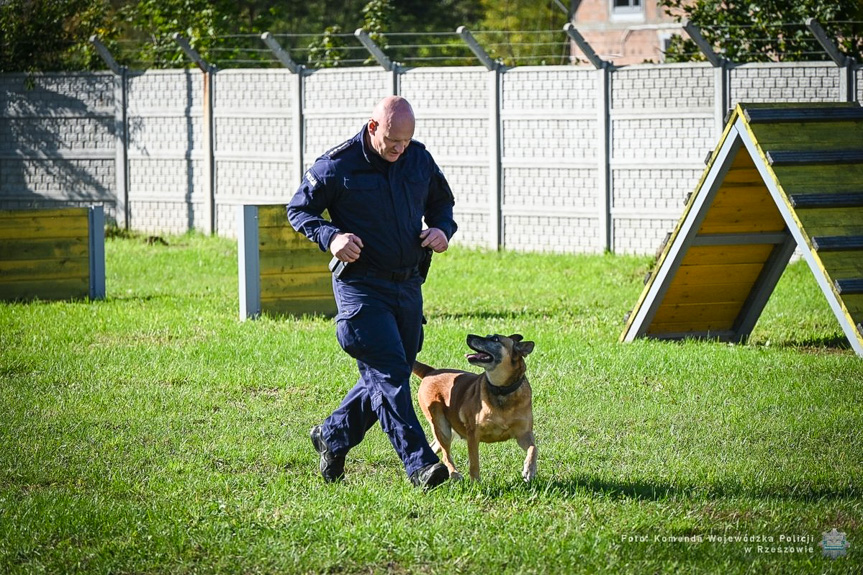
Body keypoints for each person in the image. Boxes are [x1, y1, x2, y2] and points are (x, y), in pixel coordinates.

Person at [287, 96, 457, 490]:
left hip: (408, 283)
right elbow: (299, 210)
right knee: (389, 374)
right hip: (360, 288)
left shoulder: (417, 158)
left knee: (396, 367)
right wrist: (331, 236)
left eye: (406, 141)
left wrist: (442, 230)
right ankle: (421, 466)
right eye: (393, 141)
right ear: (372, 127)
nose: (400, 150)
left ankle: (333, 435)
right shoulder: (338, 165)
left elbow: (442, 203)